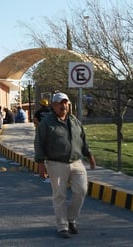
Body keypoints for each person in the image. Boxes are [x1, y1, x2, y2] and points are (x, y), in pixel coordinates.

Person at [34, 92, 96, 239]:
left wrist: (90, 155)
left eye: (65, 103)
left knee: (81, 190)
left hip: (76, 162)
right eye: (60, 103)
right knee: (60, 194)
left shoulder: (74, 121)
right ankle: (63, 226)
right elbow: (39, 143)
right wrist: (41, 164)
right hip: (56, 163)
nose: (63, 106)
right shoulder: (46, 123)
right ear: (53, 106)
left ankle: (71, 219)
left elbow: (82, 139)